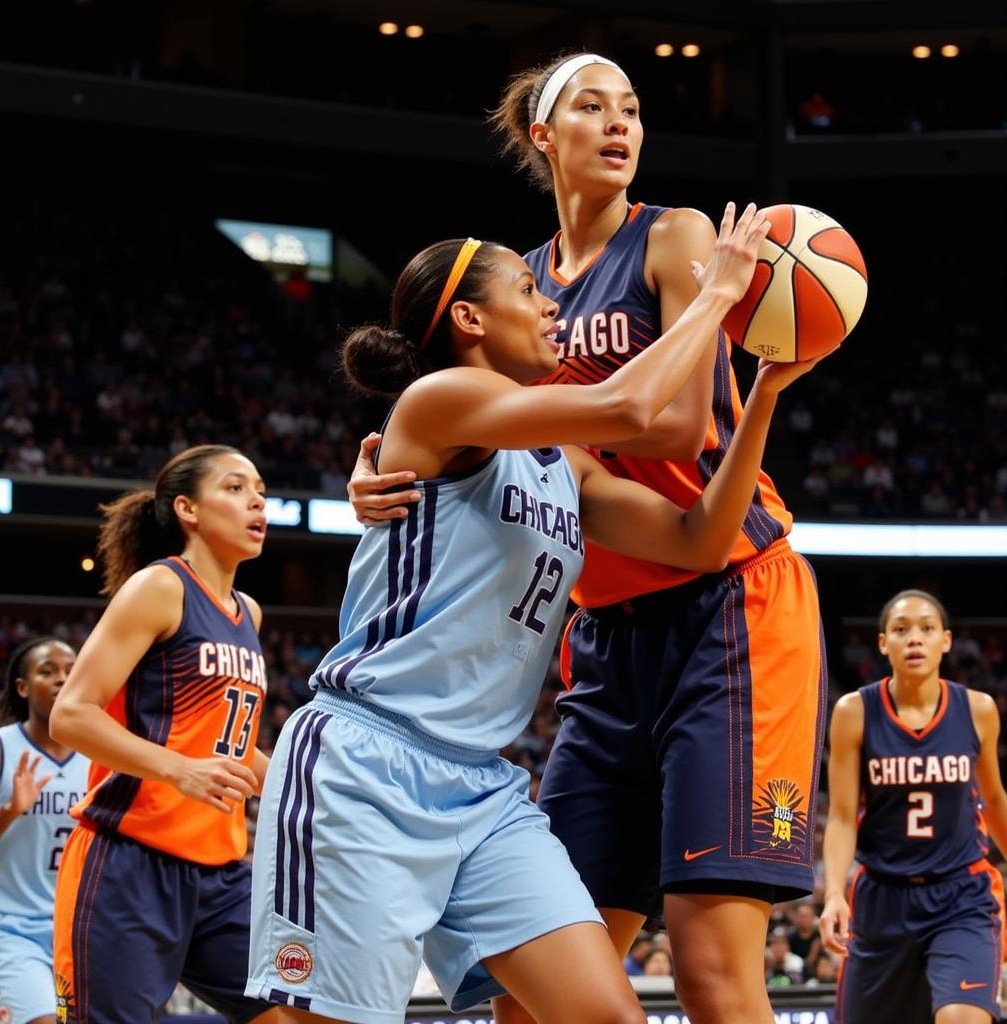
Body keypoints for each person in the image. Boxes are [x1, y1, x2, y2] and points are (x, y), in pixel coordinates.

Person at [247, 208, 819, 1024]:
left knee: (604, 1016)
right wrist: (715, 299)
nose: (552, 304)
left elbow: (699, 541)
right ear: (471, 320)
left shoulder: (564, 462)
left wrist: (760, 392)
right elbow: (629, 407)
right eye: (528, 288)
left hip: (481, 785)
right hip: (367, 767)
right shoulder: (439, 401)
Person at [349, 52, 828, 1024]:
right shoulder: (515, 289)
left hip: (731, 606)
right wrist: (391, 460)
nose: (619, 124)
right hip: (603, 636)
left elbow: (667, 424)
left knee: (707, 968)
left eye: (633, 110)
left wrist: (701, 320)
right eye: (593, 107)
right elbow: (484, 436)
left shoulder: (677, 236)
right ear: (543, 135)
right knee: (532, 997)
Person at [48, 444, 281, 1024]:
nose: (256, 500)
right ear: (187, 509)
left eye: (260, 490)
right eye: (234, 487)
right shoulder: (161, 588)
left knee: (300, 1011)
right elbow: (71, 714)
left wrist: (302, 785)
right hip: (129, 862)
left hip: (222, 873)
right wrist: (179, 769)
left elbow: (229, 747)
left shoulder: (246, 612)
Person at [820, 590, 1007, 1024]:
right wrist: (832, 893)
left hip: (961, 893)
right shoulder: (854, 711)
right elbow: (844, 816)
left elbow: (994, 799)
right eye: (901, 630)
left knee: (963, 1017)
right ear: (883, 643)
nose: (915, 639)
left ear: (946, 641)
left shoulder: (978, 709)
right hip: (883, 896)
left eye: (926, 628)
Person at [0, 636, 89, 1024]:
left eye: (71, 671)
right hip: (6, 929)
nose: (63, 678)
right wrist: (10, 810)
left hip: (78, 934)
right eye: (48, 671)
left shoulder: (103, 756)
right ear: (22, 687)